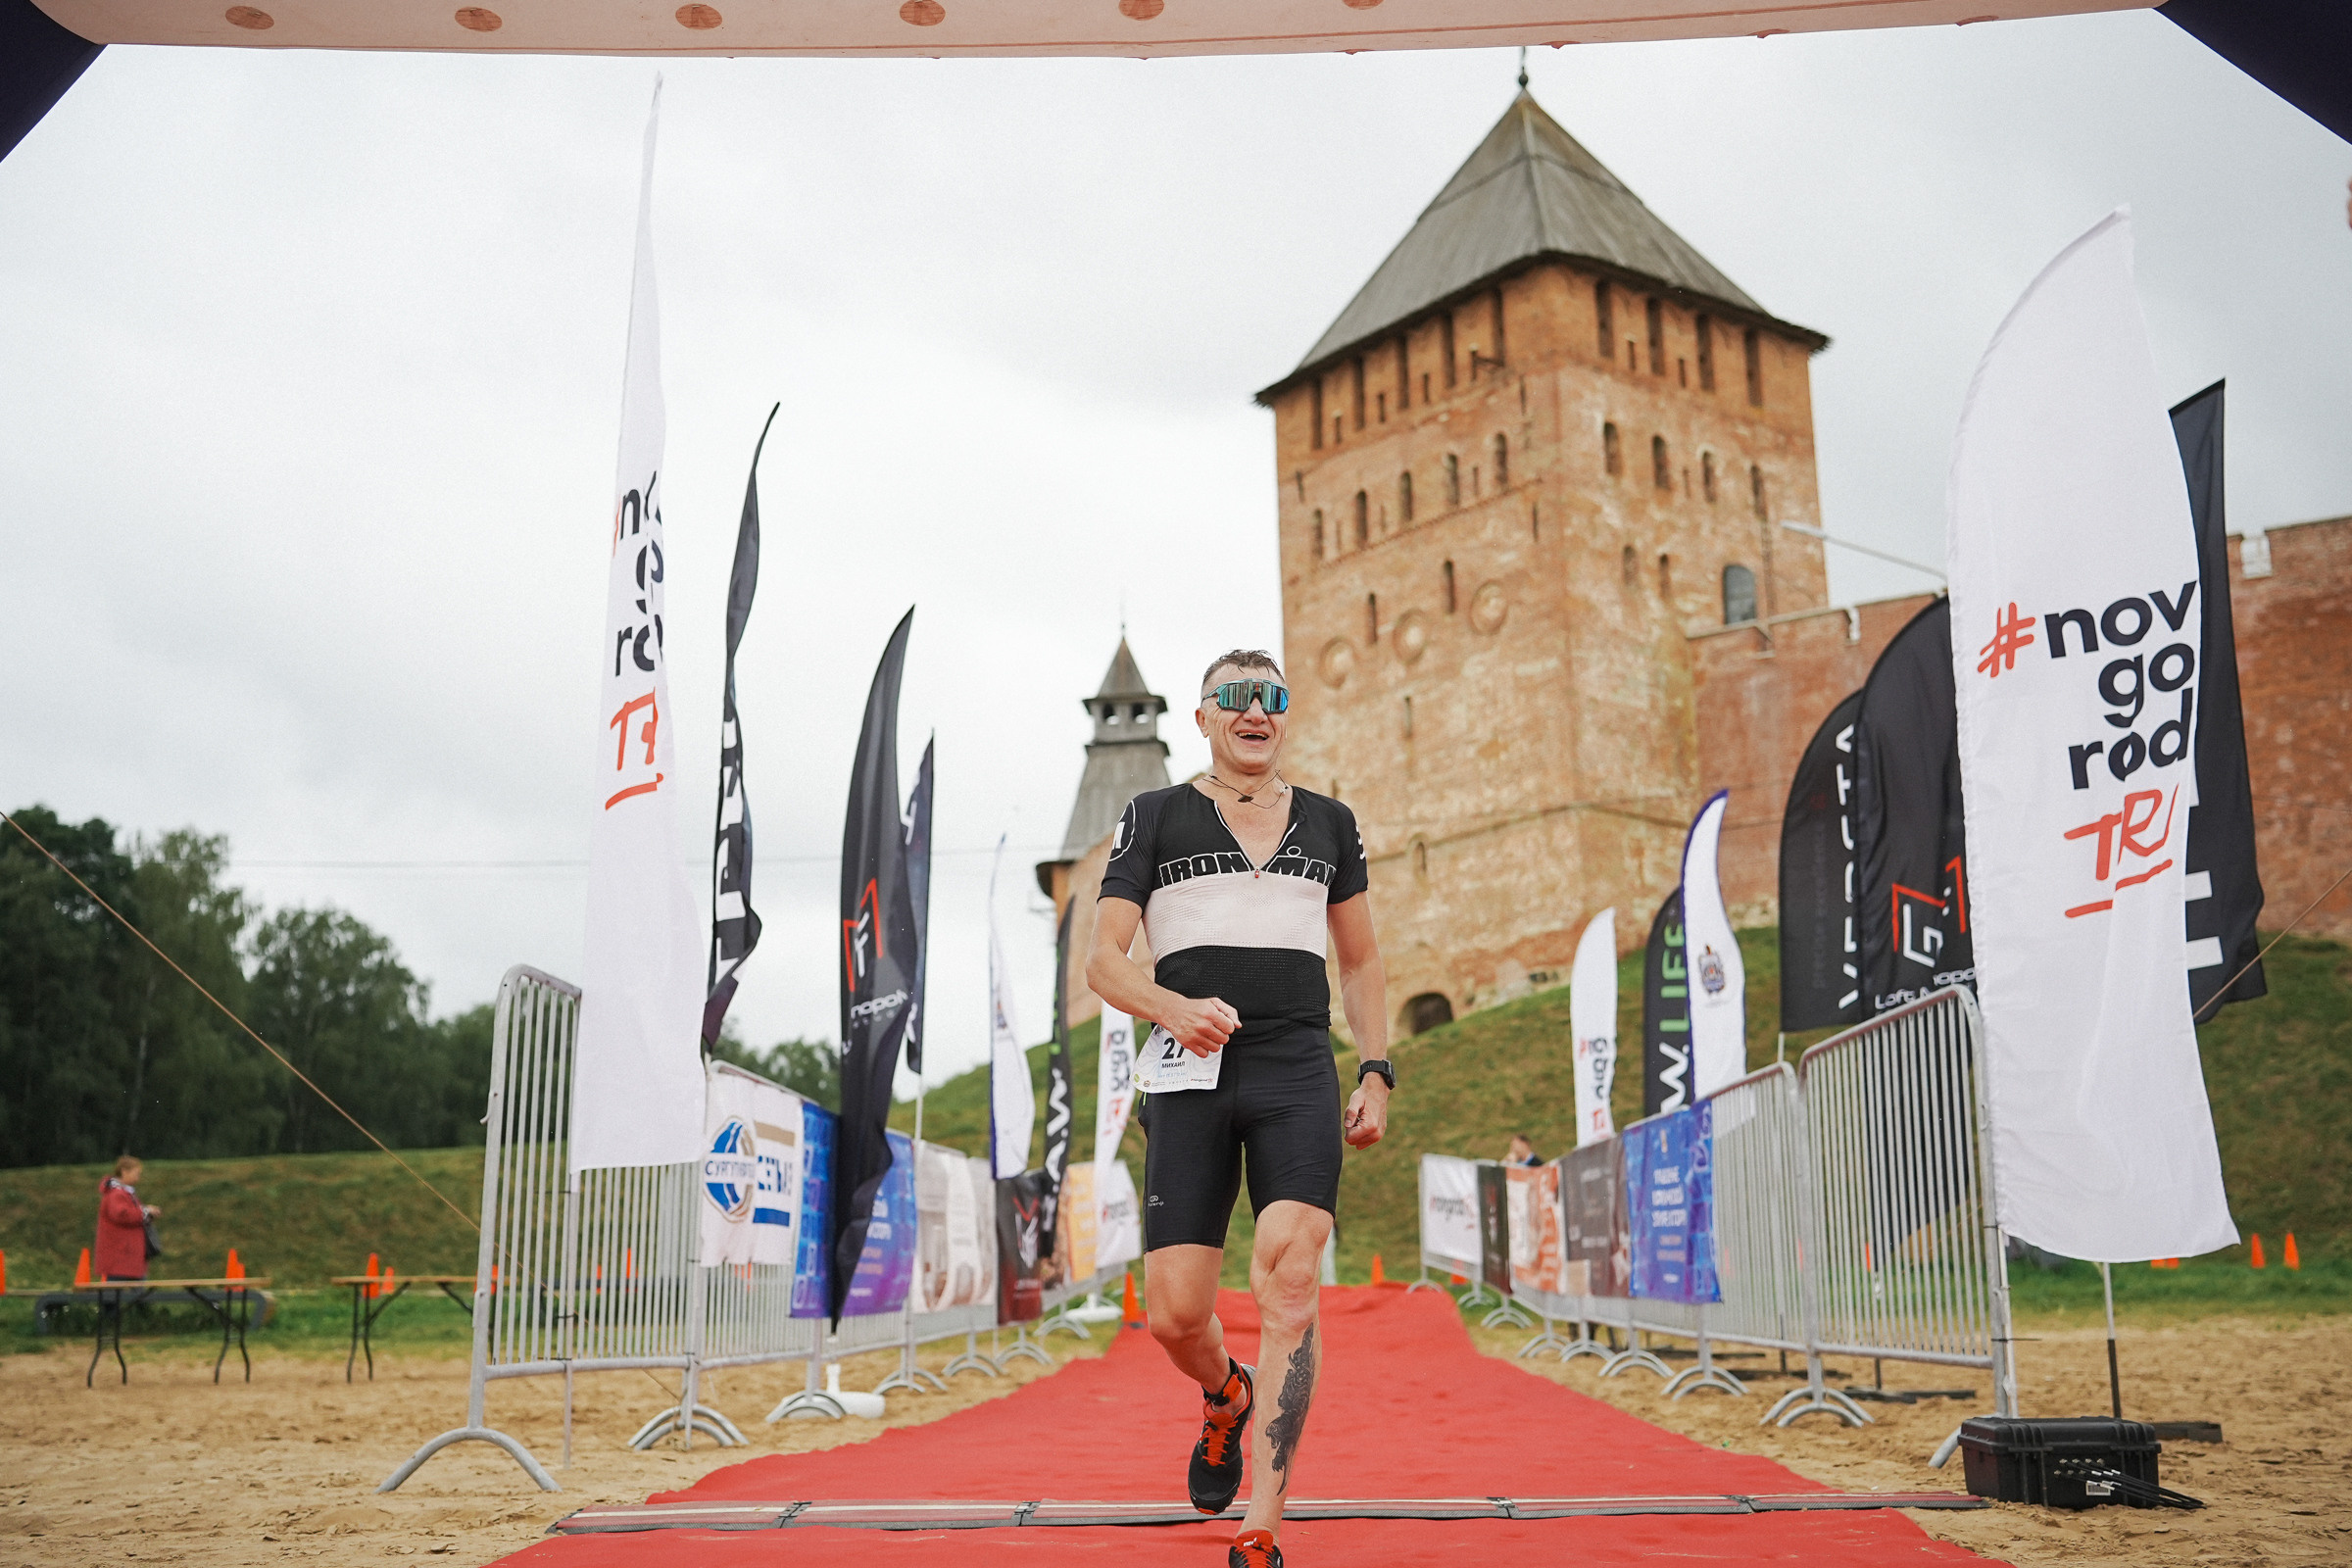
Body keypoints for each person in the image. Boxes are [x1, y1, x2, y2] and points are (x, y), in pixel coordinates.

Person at [1087, 649, 1393, 1568]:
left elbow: (1363, 961)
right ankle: (1226, 1394)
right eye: (1237, 700)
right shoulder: (1154, 815)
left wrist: (1376, 1066)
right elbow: (1103, 960)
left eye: (1272, 699)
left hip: (1296, 1065)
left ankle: (1264, 1516)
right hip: (1187, 1069)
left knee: (1288, 1282)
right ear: (1205, 717)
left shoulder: (1332, 823)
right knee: (1177, 1316)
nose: (1256, 713)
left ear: (1285, 716)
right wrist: (1173, 1007)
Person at [95, 1156, 159, 1283]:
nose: (138, 1178)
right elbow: (122, 1215)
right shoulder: (116, 1194)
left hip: (127, 1258)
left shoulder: (124, 1193)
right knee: (118, 1297)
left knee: (130, 1296)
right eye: (136, 1173)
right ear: (124, 1171)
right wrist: (145, 1211)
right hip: (121, 1258)